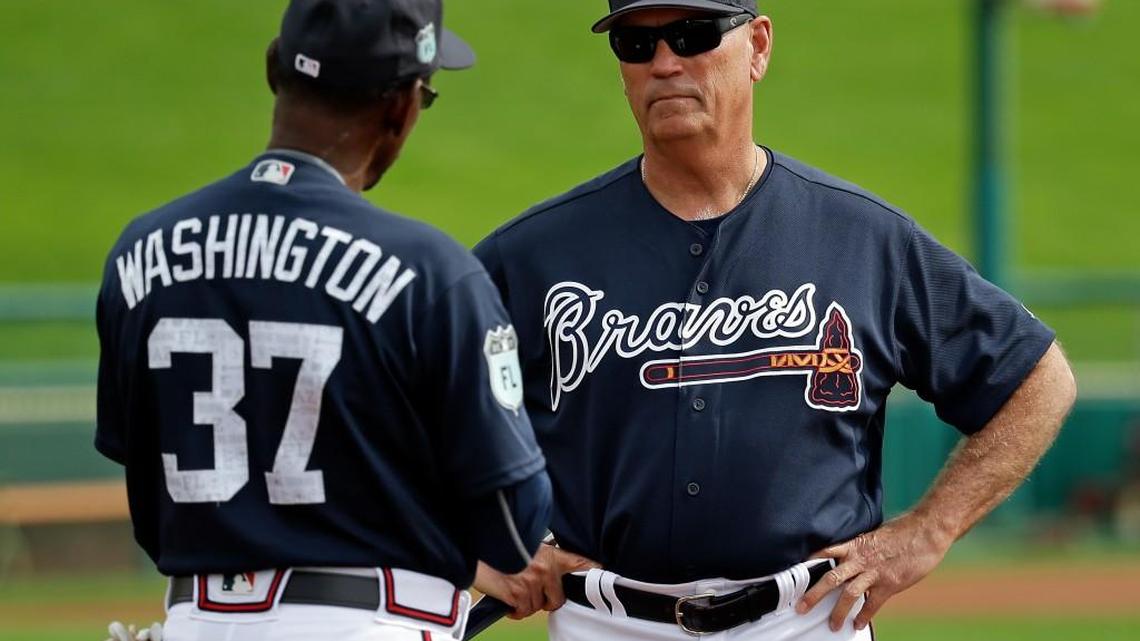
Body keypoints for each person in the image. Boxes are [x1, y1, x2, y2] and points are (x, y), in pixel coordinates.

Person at [470, 1, 1077, 639]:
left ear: (758, 46)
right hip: (607, 621)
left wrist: (928, 530)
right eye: (635, 43)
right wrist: (488, 544)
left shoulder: (862, 240)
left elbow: (1037, 379)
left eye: (693, 35)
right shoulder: (535, 254)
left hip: (806, 620)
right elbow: (394, 410)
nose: (665, 63)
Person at [94, 1, 551, 640]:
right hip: (369, 624)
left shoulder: (140, 253)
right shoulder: (429, 271)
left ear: (274, 67)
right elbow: (512, 522)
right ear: (401, 106)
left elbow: (146, 492)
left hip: (197, 619)